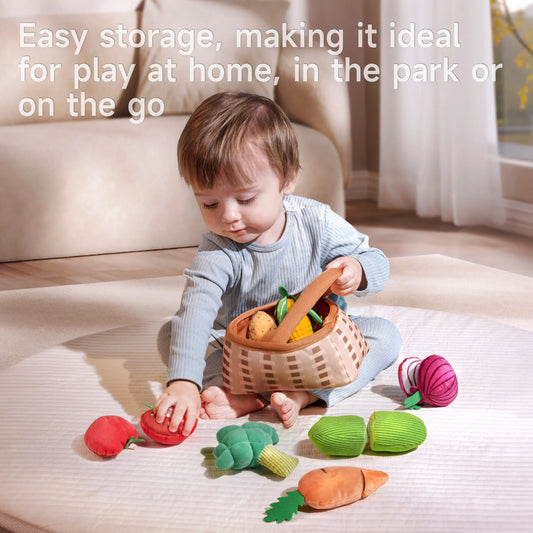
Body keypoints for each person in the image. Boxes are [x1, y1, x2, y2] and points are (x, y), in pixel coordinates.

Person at [155, 91, 401, 435]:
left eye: (245, 199)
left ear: (287, 179)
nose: (228, 217)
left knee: (385, 335)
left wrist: (358, 272)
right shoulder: (217, 248)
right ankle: (252, 392)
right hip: (244, 352)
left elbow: (376, 261)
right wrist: (183, 383)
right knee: (173, 334)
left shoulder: (317, 221)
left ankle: (307, 394)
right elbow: (196, 309)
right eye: (209, 204)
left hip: (315, 345)